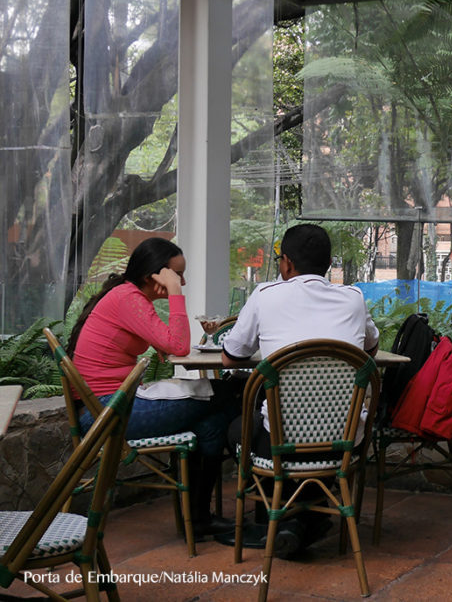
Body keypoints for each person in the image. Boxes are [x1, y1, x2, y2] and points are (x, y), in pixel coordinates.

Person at [219, 223, 380, 556]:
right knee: (278, 431)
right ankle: (303, 520)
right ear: (328, 263)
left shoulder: (265, 295)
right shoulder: (353, 299)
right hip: (343, 444)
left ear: (286, 264)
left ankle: (277, 521)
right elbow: (371, 349)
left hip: (280, 445)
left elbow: (230, 356)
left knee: (239, 428)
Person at [69, 237, 234, 539]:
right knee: (228, 392)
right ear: (153, 276)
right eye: (176, 275)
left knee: (211, 420)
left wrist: (160, 339)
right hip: (104, 415)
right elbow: (180, 346)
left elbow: (168, 342)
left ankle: (200, 520)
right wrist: (175, 294)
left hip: (111, 406)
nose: (182, 281)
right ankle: (206, 513)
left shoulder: (128, 297)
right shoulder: (128, 298)